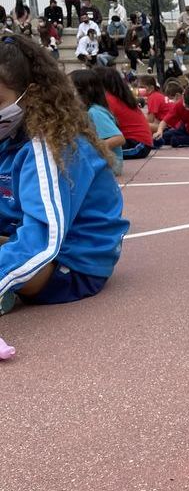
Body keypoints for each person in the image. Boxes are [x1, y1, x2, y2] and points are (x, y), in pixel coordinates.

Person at [0, 35, 128, 317]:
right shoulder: (9, 136)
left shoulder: (49, 146)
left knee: (29, 249)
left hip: (76, 263)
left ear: (30, 95)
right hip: (44, 244)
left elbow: (43, 238)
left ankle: (8, 281)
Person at [70, 69, 125, 176]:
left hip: (110, 164)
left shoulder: (95, 112)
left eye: (71, 89)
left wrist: (90, 148)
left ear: (83, 91)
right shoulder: (88, 111)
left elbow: (119, 139)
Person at [94, 66, 154, 159]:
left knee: (93, 153)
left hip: (137, 144)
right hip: (141, 142)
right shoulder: (119, 97)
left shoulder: (109, 100)